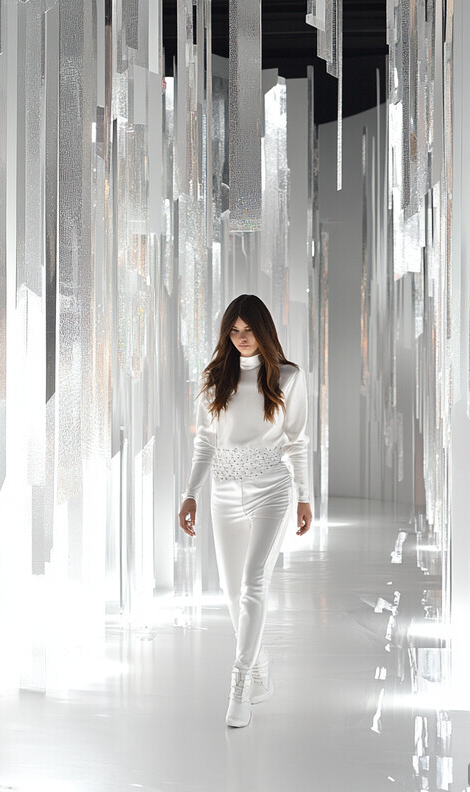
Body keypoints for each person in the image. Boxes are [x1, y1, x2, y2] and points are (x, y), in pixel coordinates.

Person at [178, 294, 313, 728]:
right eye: (234, 332)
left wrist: (306, 497)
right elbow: (204, 442)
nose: (241, 339)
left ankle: (239, 682)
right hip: (222, 493)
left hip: (272, 489)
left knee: (255, 581)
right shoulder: (215, 379)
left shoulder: (289, 378)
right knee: (230, 589)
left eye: (248, 330)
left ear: (264, 331)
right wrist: (190, 493)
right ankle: (259, 665)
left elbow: (297, 441)